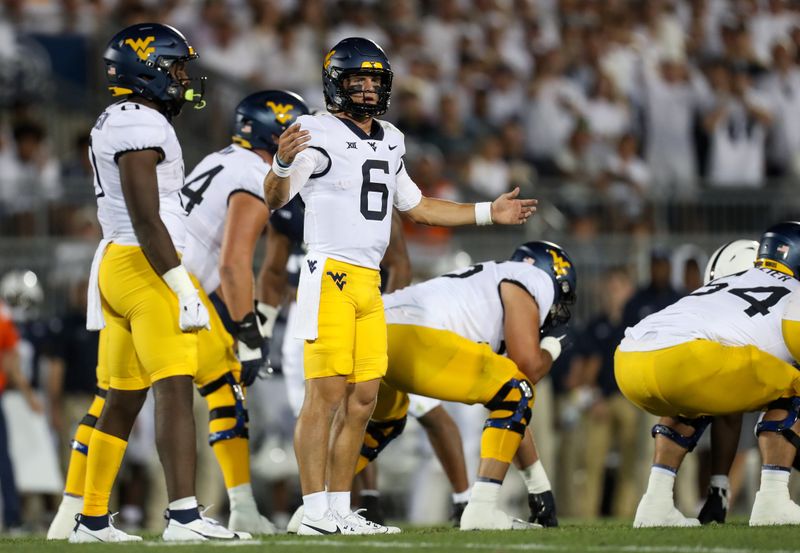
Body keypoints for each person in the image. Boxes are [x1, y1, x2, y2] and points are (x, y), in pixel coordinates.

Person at [263, 36, 537, 536]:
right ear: (335, 84)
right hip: (329, 273)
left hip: (369, 281)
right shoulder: (313, 130)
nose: (367, 89)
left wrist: (486, 213)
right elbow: (277, 199)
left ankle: (342, 508)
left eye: (374, 81)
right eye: (357, 80)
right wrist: (280, 164)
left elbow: (417, 206)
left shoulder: (390, 138)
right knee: (325, 393)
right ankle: (314, 510)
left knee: (365, 397)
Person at [68, 23, 238, 542]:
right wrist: (183, 286)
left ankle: (91, 519)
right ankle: (183, 515)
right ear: (147, 70)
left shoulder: (123, 118)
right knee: (174, 389)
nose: (183, 77)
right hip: (144, 266)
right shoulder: (139, 123)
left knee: (122, 397)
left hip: (124, 266)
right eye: (175, 67)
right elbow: (146, 218)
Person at [260, 199, 471, 529]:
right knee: (323, 406)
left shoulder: (367, 186)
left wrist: (388, 314)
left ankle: (459, 501)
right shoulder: (296, 200)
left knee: (405, 406)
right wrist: (263, 323)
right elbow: (274, 269)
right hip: (318, 306)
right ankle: (323, 508)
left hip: (374, 307)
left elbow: (400, 264)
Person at [351, 240, 574, 530]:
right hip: (411, 334)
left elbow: (510, 412)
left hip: (372, 328)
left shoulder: (491, 281)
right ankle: (480, 509)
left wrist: (539, 488)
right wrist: (554, 346)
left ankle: (317, 506)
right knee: (516, 391)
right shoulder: (530, 278)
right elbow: (529, 369)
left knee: (383, 423)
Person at [616, 226, 800, 527]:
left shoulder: (732, 281)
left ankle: (655, 502)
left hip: (629, 358)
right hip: (690, 359)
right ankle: (773, 499)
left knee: (695, 397)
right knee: (793, 382)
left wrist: (718, 486)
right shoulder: (793, 291)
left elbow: (728, 403)